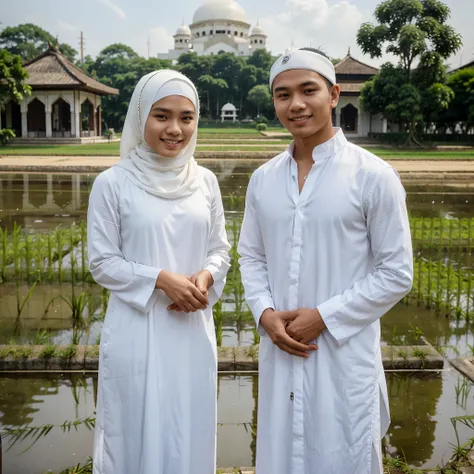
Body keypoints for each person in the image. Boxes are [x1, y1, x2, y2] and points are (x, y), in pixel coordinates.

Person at [238, 48, 413, 474]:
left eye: (308, 90)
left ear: (334, 95)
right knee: (281, 453)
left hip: (342, 352)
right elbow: (251, 255)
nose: (295, 104)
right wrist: (264, 313)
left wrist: (324, 316)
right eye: (282, 94)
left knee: (342, 452)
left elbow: (396, 273)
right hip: (280, 345)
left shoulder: (373, 176)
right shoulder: (263, 180)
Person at [87, 69, 230, 474]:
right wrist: (161, 279)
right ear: (139, 118)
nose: (175, 128)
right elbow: (102, 261)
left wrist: (205, 276)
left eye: (186, 117)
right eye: (161, 115)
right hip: (138, 328)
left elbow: (219, 248)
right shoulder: (113, 183)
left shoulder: (205, 182)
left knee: (189, 423)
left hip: (192, 327)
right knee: (134, 426)